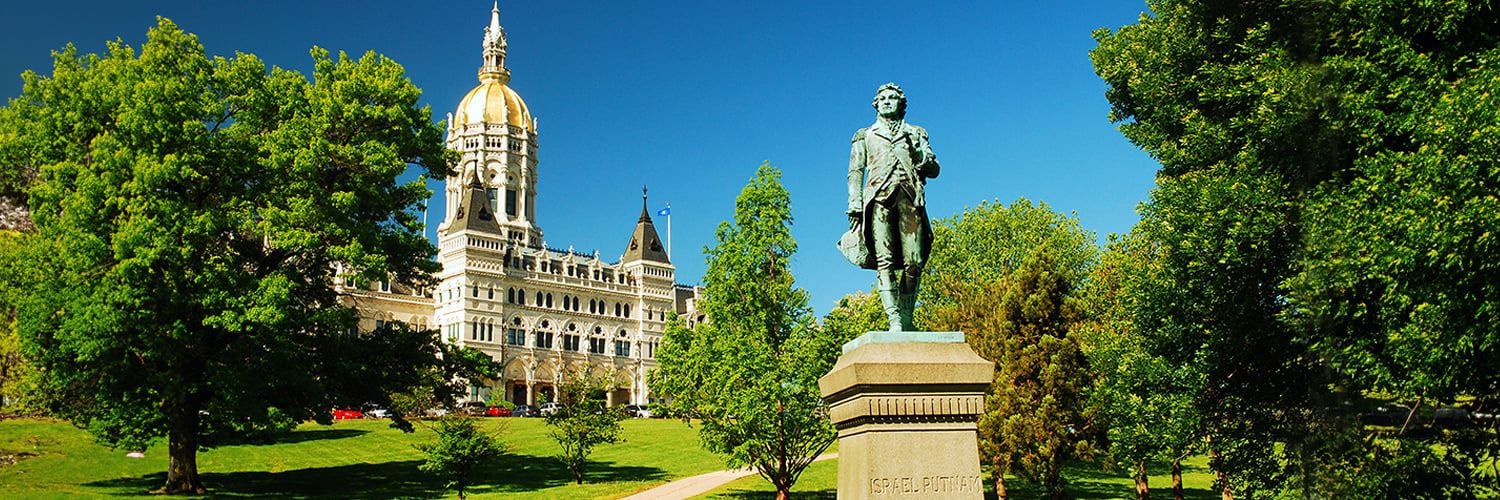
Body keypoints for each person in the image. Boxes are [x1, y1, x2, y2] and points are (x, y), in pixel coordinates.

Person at [841, 83, 939, 331]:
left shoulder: (917, 133)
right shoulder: (865, 135)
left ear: (901, 104)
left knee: (914, 260)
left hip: (910, 198)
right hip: (878, 200)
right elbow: (855, 171)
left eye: (892, 97)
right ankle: (894, 318)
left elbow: (934, 169)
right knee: (884, 260)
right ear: (876, 104)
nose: (886, 101)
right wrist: (854, 204)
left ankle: (907, 318)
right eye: (882, 98)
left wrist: (919, 155)